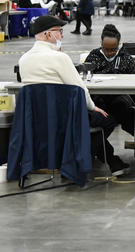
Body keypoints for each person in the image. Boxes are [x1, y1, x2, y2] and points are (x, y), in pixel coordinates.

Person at [18, 16, 129, 176]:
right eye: (60, 32)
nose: (62, 36)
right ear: (48, 35)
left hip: (38, 117)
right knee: (108, 120)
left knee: (91, 124)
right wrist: (93, 107)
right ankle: (89, 159)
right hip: (65, 116)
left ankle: (105, 160)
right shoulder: (60, 58)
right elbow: (79, 89)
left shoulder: (24, 59)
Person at [84, 24, 135, 138]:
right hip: (99, 101)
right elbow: (87, 77)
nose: (109, 53)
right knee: (111, 116)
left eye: (113, 49)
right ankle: (104, 151)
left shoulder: (125, 58)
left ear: (118, 45)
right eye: (106, 49)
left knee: (127, 112)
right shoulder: (93, 56)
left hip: (121, 101)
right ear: (101, 44)